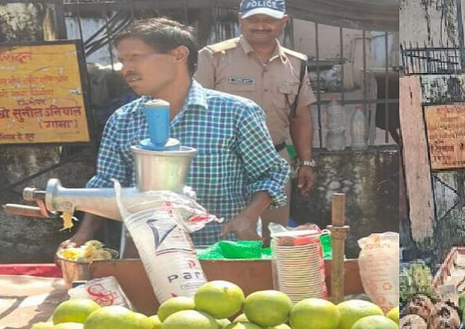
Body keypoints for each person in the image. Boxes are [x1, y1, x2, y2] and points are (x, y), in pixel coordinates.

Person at [59, 17, 290, 253]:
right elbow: (107, 186)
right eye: (122, 60)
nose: (126, 68)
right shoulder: (122, 120)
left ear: (179, 55)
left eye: (135, 57)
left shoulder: (236, 112)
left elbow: (270, 173)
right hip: (149, 254)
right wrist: (83, 236)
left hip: (223, 251)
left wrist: (247, 218)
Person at [194, 0, 316, 240]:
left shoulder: (296, 63)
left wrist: (306, 163)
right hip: (226, 163)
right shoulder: (214, 57)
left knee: (273, 239)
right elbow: (197, 111)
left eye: (268, 20)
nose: (260, 26)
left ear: (283, 21)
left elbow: (300, 116)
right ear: (240, 20)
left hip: (275, 162)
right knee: (225, 237)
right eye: (253, 19)